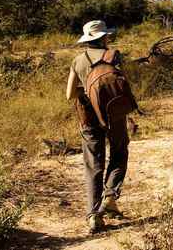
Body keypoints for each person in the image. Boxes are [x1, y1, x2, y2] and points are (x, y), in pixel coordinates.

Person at [65, 20, 129, 234]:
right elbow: (121, 83)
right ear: (104, 37)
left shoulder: (78, 60)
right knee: (119, 151)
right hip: (113, 114)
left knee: (93, 163)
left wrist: (86, 93)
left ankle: (93, 216)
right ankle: (110, 196)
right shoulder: (113, 55)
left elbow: (69, 94)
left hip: (88, 117)